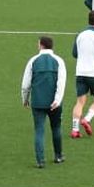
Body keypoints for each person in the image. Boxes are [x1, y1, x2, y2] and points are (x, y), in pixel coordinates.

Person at [21, 36, 67, 168]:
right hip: (54, 103)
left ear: (41, 45)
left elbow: (25, 84)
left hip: (38, 102)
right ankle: (58, 156)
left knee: (39, 131)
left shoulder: (33, 61)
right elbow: (61, 83)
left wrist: (25, 99)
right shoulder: (58, 61)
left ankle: (40, 160)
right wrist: (57, 100)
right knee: (56, 128)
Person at [70, 9, 94, 138]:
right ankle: (86, 119)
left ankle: (75, 129)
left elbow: (75, 54)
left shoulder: (80, 34)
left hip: (80, 72)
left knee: (80, 101)